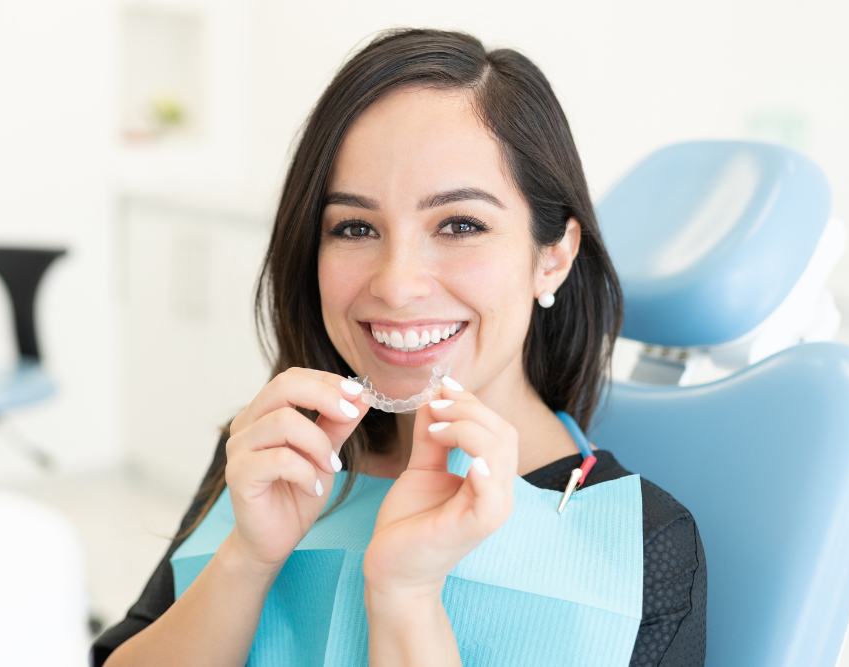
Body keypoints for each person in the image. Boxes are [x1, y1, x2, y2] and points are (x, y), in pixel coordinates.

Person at [94, 28, 706, 667]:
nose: (395, 284)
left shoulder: (642, 542)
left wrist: (404, 596)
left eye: (460, 224)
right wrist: (247, 561)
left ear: (552, 257)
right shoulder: (270, 453)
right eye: (355, 227)